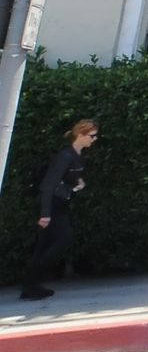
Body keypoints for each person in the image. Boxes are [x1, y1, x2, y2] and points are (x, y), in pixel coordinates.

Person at [20, 120, 96, 301]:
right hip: (51, 205)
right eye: (92, 136)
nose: (94, 139)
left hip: (61, 203)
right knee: (64, 238)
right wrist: (45, 214)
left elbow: (67, 179)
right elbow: (48, 185)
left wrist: (77, 184)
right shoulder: (65, 156)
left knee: (43, 246)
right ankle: (32, 282)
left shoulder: (77, 156)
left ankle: (30, 287)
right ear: (81, 135)